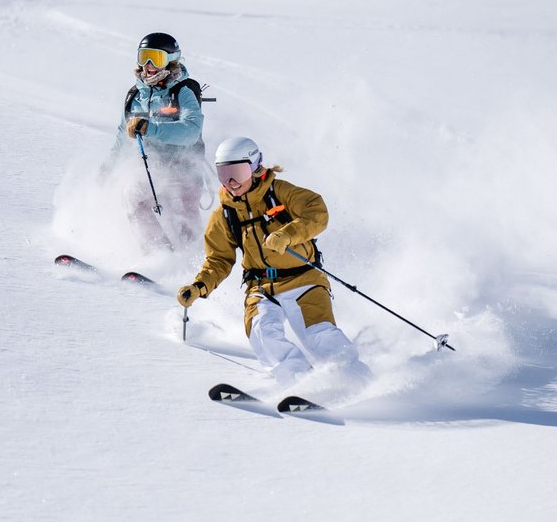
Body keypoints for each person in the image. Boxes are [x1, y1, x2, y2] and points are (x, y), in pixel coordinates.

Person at [177, 137, 370, 387]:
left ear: (255, 167)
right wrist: (200, 286)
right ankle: (302, 385)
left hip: (304, 280)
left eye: (238, 172)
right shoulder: (224, 214)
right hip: (261, 287)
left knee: (320, 336)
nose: (231, 182)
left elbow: (317, 211)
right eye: (224, 174)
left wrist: (288, 234)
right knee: (262, 333)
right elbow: (218, 259)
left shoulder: (279, 193)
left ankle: (360, 383)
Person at [109, 33, 206, 251]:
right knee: (134, 199)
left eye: (156, 58)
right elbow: (121, 135)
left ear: (171, 60)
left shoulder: (183, 90)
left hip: (184, 169)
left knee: (182, 216)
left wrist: (150, 128)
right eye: (144, 57)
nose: (148, 65)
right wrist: (108, 167)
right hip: (152, 168)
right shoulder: (136, 95)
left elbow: (191, 130)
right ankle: (159, 253)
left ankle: (196, 263)